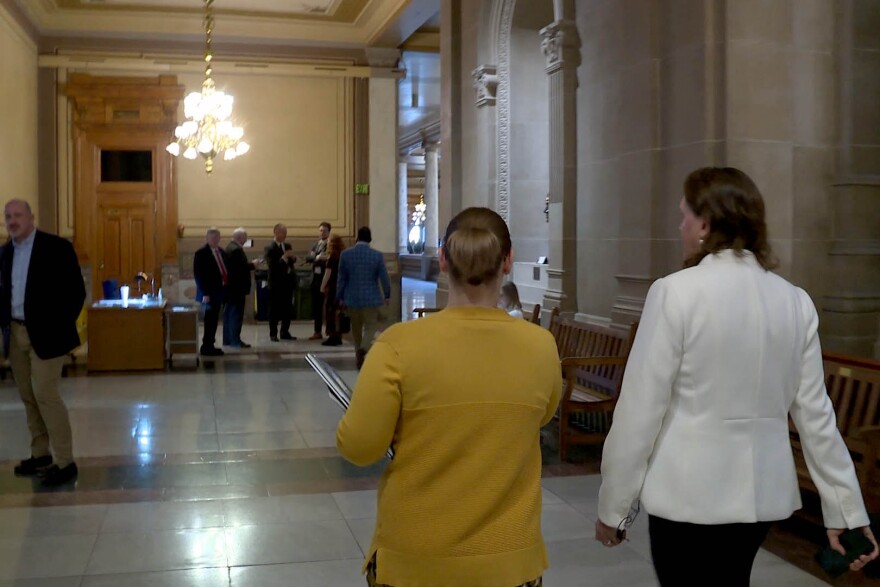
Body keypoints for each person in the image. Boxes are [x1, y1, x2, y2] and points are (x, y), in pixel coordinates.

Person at [595, 167, 879, 585]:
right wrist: (847, 511)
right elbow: (817, 417)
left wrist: (614, 507)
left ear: (705, 224)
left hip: (688, 497)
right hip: (759, 499)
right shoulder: (794, 301)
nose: (680, 226)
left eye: (685, 215)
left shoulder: (675, 292)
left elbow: (640, 411)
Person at [337, 207, 562, 587]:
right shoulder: (541, 346)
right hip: (509, 561)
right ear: (508, 261)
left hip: (416, 560)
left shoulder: (397, 346)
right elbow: (539, 416)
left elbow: (359, 447)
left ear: (442, 259)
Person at [0, 199, 85, 486]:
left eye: (17, 215)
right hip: (15, 332)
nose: (12, 221)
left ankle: (65, 461)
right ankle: (40, 454)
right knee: (28, 395)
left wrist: (58, 324)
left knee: (45, 393)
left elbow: (75, 292)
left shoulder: (56, 248)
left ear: (31, 217)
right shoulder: (5, 253)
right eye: (8, 216)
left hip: (48, 334)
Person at [337, 226, 390, 369]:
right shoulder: (377, 255)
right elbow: (384, 277)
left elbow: (341, 278)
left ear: (357, 238)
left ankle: (357, 354)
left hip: (352, 298)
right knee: (371, 327)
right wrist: (387, 294)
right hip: (371, 298)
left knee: (356, 329)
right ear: (370, 239)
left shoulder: (345, 254)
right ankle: (364, 348)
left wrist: (340, 296)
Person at [193, 227, 228, 356]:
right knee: (209, 320)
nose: (214, 240)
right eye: (212, 238)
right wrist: (205, 293)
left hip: (220, 291)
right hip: (208, 293)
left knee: (214, 319)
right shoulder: (201, 253)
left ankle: (210, 344)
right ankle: (206, 346)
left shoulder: (221, 252)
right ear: (207, 238)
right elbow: (198, 275)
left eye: (216, 237)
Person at [223, 227, 257, 348]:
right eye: (245, 237)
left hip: (231, 288)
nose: (246, 239)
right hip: (237, 288)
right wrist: (253, 265)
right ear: (240, 237)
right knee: (235, 315)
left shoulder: (229, 247)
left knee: (229, 314)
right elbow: (239, 270)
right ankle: (235, 340)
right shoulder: (236, 250)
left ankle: (228, 339)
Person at [263, 223, 297, 342]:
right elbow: (272, 265)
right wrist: (283, 258)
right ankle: (273, 333)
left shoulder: (287, 245)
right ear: (276, 233)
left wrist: (293, 258)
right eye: (283, 233)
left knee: (287, 309)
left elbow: (291, 262)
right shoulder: (269, 248)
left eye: (286, 233)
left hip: (287, 283)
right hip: (276, 283)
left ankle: (285, 332)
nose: (285, 235)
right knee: (274, 309)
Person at [319, 234, 346, 347]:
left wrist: (322, 286)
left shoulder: (332, 257)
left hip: (332, 287)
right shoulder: (344, 256)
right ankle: (338, 335)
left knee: (330, 312)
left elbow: (328, 274)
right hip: (341, 287)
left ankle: (332, 336)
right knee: (339, 312)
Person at [306, 222, 331, 340]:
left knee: (329, 307)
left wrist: (320, 258)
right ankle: (317, 331)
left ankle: (330, 331)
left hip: (327, 278)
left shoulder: (330, 244)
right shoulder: (316, 245)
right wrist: (317, 257)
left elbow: (328, 258)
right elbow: (309, 258)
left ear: (329, 232)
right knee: (317, 306)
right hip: (316, 279)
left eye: (324, 231)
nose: (322, 233)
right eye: (320, 230)